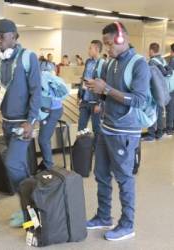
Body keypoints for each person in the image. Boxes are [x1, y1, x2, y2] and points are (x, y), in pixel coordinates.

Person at [85, 22, 150, 241]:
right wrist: (98, 90)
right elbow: (108, 94)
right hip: (106, 128)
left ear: (121, 39)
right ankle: (104, 217)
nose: (107, 48)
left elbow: (140, 100)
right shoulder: (110, 62)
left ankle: (127, 224)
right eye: (104, 44)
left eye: (109, 43)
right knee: (101, 175)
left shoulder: (139, 64)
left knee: (124, 179)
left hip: (124, 133)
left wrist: (107, 89)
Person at [0, 18, 41, 226]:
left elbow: (36, 91)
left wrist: (31, 121)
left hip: (23, 124)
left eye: (2, 36)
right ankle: (30, 210)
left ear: (14, 36)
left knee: (12, 163)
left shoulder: (28, 58)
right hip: (7, 123)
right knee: (21, 167)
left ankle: (33, 208)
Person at [77, 40, 105, 142]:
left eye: (90, 48)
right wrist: (79, 95)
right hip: (85, 100)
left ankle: (97, 152)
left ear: (97, 49)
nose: (88, 50)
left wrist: (100, 103)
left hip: (95, 102)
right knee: (81, 128)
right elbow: (84, 78)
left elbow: (103, 84)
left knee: (96, 129)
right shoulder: (88, 62)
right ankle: (82, 151)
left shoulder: (103, 64)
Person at [142, 43, 168, 141]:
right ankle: (160, 133)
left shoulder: (152, 62)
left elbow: (149, 77)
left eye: (149, 50)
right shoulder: (163, 60)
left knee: (152, 111)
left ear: (152, 51)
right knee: (160, 111)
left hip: (154, 90)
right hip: (163, 90)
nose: (148, 52)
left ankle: (151, 134)